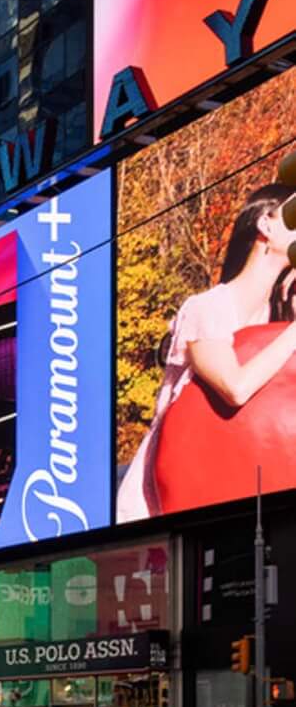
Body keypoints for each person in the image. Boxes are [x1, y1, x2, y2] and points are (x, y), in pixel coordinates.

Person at [119, 188, 296, 520]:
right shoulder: (207, 308)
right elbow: (235, 387)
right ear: (265, 226)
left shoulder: (276, 316)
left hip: (240, 499)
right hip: (163, 506)